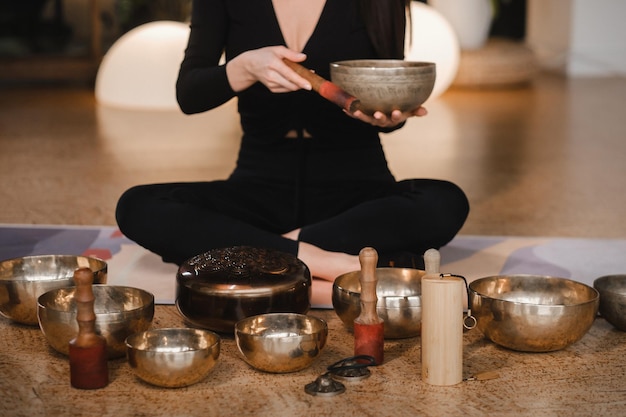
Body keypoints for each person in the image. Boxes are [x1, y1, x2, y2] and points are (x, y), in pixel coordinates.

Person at [115, 0, 469, 306]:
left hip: (356, 192)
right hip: (258, 185)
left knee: (445, 202)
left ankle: (260, 254)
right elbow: (189, 94)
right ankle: (327, 263)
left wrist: (389, 117)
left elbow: (385, 89)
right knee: (137, 206)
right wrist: (244, 67)